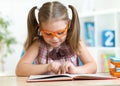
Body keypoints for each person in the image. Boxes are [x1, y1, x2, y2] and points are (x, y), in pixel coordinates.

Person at [16, 1, 97, 76]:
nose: (54, 38)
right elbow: (20, 69)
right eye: (48, 33)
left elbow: (93, 66)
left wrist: (76, 70)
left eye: (60, 32)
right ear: (40, 28)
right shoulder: (38, 44)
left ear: (68, 25)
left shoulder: (75, 42)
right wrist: (47, 67)